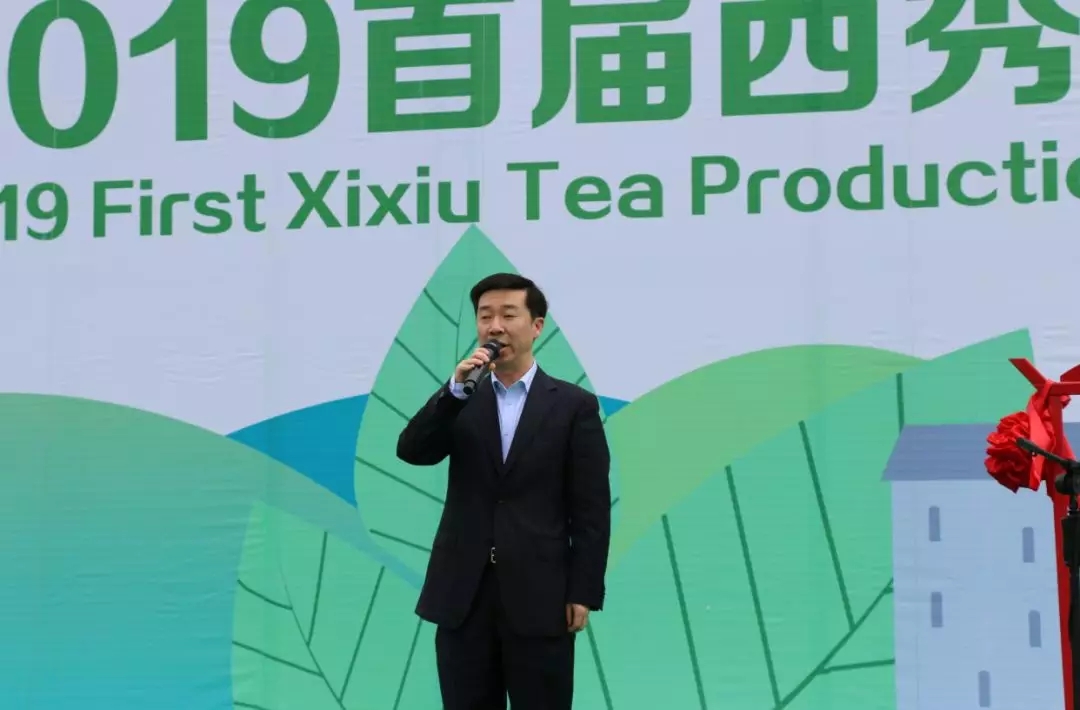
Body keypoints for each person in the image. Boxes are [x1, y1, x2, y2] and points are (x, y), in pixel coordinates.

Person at [396, 272, 612, 710]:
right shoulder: (462, 398)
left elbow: (591, 508)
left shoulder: (573, 405)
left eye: (508, 315)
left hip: (541, 595)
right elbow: (412, 451)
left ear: (536, 326)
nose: (495, 326)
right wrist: (454, 391)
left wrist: (583, 590)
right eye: (485, 316)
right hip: (463, 594)